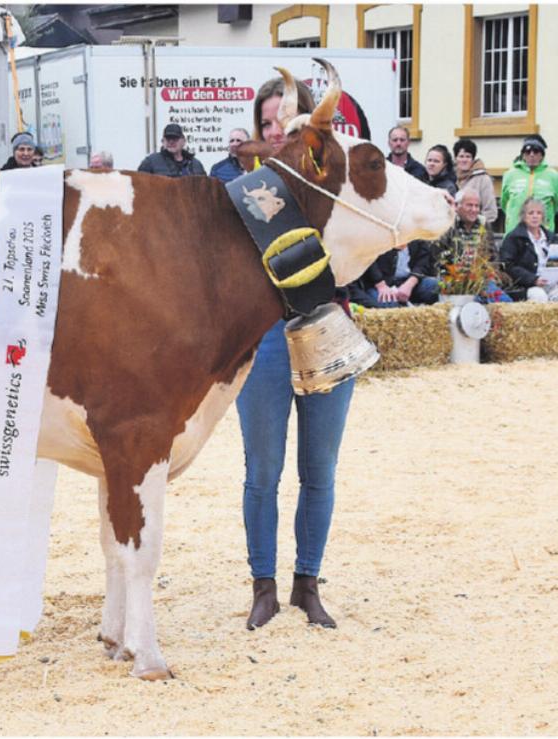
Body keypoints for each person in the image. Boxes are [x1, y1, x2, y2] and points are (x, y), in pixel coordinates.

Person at [236, 75, 349, 631]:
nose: (277, 132)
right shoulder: (235, 185)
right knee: (263, 471)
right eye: (267, 125)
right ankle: (264, 587)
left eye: (288, 124)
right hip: (264, 339)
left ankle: (309, 584)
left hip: (325, 327)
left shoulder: (331, 184)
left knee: (320, 470)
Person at [433, 189, 510, 303]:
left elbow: (492, 255)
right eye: (469, 205)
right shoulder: (448, 225)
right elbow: (439, 258)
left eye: (477, 206)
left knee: (504, 302)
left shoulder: (483, 224)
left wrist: (491, 276)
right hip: (453, 280)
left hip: (481, 279)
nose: (474, 210)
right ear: (457, 206)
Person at [500, 198, 557, 301]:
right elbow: (508, 265)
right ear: (523, 216)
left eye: (539, 213)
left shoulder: (551, 238)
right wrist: (533, 279)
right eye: (531, 213)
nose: (535, 216)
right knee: (539, 297)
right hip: (527, 286)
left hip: (552, 283)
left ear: (543, 216)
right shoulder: (514, 237)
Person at [501, 135, 558, 235]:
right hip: (515, 234)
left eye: (536, 152)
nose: (532, 155)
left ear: (542, 155)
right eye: (527, 152)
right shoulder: (510, 175)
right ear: (523, 155)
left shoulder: (553, 176)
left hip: (543, 235)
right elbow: (504, 203)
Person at [452, 138, 498, 225]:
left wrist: (475, 227)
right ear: (455, 158)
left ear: (473, 159)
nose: (464, 160)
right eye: (461, 156)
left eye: (468, 156)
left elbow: (490, 212)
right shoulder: (451, 177)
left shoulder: (483, 179)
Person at [137, 123, 207, 177]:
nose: (171, 142)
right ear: (163, 141)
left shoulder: (196, 164)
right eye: (168, 139)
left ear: (184, 141)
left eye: (175, 138)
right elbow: (139, 186)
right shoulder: (150, 163)